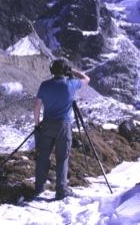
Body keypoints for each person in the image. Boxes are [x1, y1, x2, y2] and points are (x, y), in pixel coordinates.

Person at [33, 59, 90, 200]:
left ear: (51, 70)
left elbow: (36, 107)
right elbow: (87, 79)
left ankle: (39, 187)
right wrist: (72, 71)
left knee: (43, 156)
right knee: (62, 158)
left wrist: (37, 125)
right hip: (63, 126)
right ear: (64, 71)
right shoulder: (70, 84)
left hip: (46, 124)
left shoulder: (44, 85)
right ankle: (61, 191)